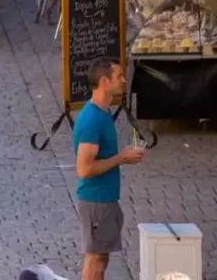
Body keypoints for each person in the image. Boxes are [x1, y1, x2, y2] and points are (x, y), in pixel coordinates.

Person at [75, 58, 144, 280]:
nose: (124, 80)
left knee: (100, 258)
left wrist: (121, 156)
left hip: (104, 199)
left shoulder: (102, 114)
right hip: (97, 200)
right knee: (95, 260)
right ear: (104, 81)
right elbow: (84, 169)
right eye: (119, 77)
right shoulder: (92, 119)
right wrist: (121, 157)